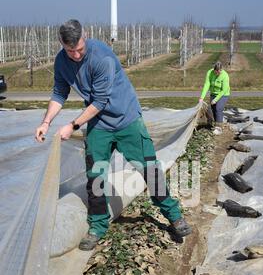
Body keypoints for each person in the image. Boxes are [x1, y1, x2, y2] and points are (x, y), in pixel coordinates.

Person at [35, 20, 192, 251]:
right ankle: (98, 226)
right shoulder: (61, 61)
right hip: (99, 125)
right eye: (70, 51)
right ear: (61, 45)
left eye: (79, 49)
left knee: (149, 169)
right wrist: (46, 122)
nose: (76, 55)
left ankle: (174, 215)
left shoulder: (102, 57)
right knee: (96, 176)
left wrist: (72, 125)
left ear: (84, 36)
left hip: (127, 120)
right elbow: (59, 93)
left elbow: (100, 101)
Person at [199, 61, 230, 135]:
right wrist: (201, 97)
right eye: (216, 72)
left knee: (218, 108)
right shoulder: (210, 73)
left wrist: (216, 100)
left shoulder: (225, 76)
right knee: (213, 109)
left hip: (223, 94)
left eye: (219, 72)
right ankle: (217, 123)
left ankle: (219, 128)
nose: (217, 74)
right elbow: (207, 85)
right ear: (214, 70)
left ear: (221, 70)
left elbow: (224, 90)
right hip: (213, 93)